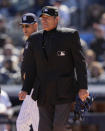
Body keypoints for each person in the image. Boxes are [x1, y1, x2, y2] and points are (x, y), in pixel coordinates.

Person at [19, 6, 89, 131]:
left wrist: (83, 87)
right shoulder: (35, 38)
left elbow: (80, 63)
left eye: (48, 18)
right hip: (43, 91)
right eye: (42, 18)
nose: (44, 21)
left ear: (57, 19)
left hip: (64, 90)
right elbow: (30, 67)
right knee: (44, 128)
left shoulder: (70, 35)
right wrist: (25, 89)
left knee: (59, 126)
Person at [17, 13, 39, 131]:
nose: (24, 29)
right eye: (23, 26)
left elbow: (35, 68)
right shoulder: (29, 41)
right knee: (21, 123)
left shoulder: (39, 40)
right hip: (30, 90)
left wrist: (26, 88)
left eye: (27, 26)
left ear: (35, 25)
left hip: (37, 90)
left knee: (38, 126)